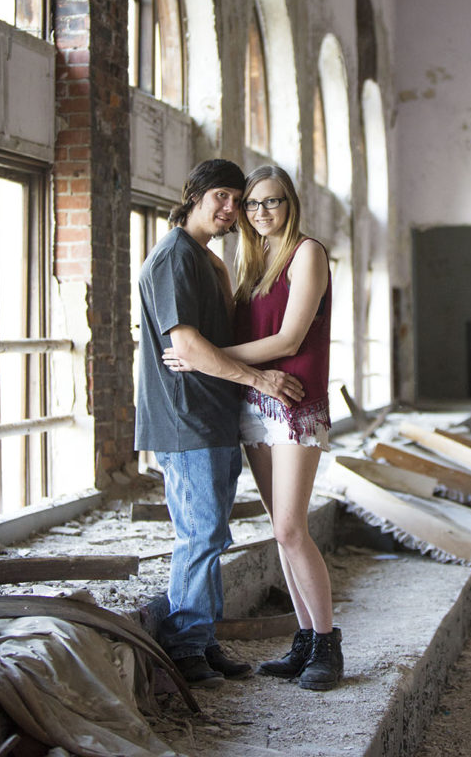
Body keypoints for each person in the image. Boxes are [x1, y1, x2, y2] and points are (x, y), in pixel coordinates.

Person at [165, 163, 343, 691]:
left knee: (292, 527)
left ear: (291, 205)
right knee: (280, 530)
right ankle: (305, 639)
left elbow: (290, 340)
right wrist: (227, 368)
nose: (263, 212)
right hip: (255, 403)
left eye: (274, 202)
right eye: (254, 204)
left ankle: (329, 645)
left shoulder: (306, 252)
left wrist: (204, 357)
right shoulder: (249, 259)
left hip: (294, 402)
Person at [135, 158, 304, 689]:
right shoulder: (172, 259)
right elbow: (183, 346)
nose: (232, 209)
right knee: (200, 534)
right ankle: (184, 650)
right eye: (222, 197)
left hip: (213, 416)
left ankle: (202, 639)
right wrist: (262, 380)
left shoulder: (207, 260)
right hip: (185, 419)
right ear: (194, 195)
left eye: (241, 199)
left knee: (212, 533)